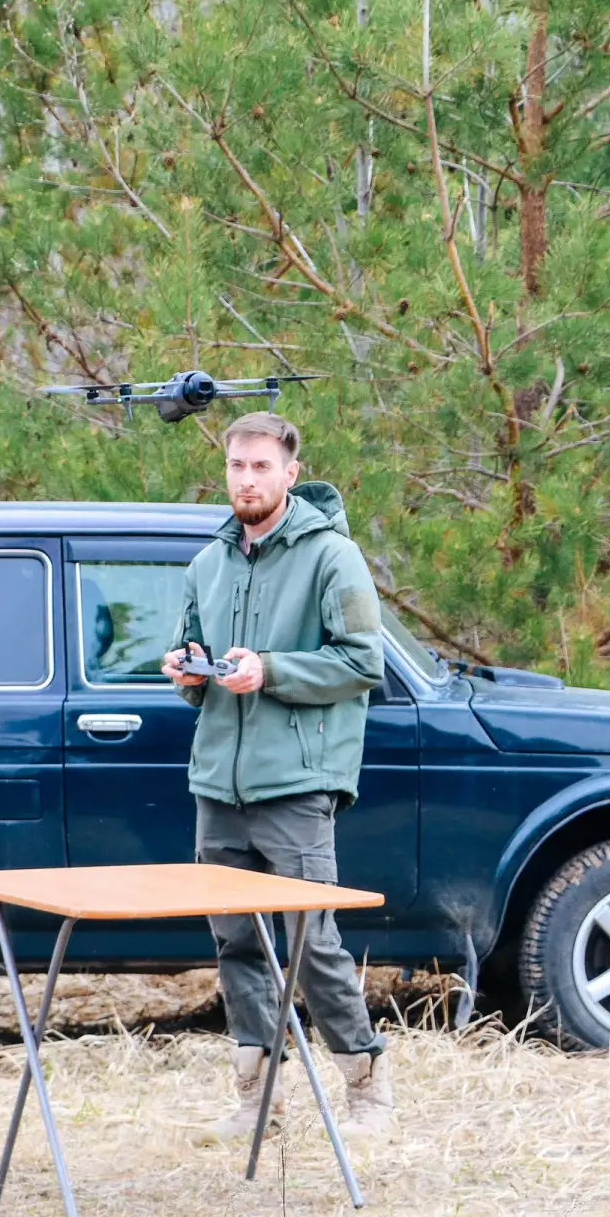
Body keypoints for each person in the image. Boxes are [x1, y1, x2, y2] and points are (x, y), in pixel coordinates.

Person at [160, 410, 395, 1144]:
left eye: (262, 466)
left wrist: (272, 671)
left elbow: (364, 664)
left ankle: (367, 1089)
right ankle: (256, 1101)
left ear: (290, 473)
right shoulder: (208, 562)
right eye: (237, 466)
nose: (247, 479)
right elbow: (188, 665)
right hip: (217, 789)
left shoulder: (334, 557)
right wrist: (185, 670)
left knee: (308, 939)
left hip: (296, 784)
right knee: (235, 941)